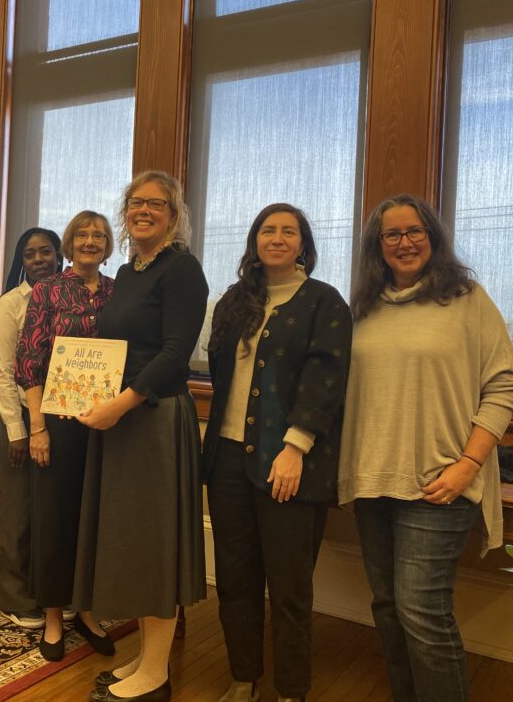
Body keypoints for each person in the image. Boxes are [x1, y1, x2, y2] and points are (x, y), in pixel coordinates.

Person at [339, 194, 513, 702]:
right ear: (378, 246)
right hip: (374, 478)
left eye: (415, 231)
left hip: (440, 480)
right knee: (388, 607)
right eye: (392, 234)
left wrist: (469, 465)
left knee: (422, 611)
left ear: (433, 237)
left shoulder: (467, 299)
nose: (405, 242)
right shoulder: (364, 308)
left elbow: (504, 384)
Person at [204, 204, 352, 702]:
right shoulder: (234, 300)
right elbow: (217, 372)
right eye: (269, 230)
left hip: (290, 462)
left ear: (303, 244)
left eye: (289, 231)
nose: (278, 238)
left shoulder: (324, 303)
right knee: (234, 578)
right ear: (255, 242)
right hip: (226, 460)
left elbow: (325, 381)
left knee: (289, 589)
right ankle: (243, 677)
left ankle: (291, 690)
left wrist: (296, 447)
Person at [75, 170, 208, 702]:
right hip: (120, 417)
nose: (143, 210)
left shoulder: (183, 271)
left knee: (153, 548)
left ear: (174, 216)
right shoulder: (129, 273)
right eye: (135, 202)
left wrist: (123, 403)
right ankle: (146, 659)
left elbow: (177, 353)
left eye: (156, 203)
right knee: (130, 543)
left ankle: (156, 674)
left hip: (152, 418)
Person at [16, 212, 116, 661]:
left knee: (95, 517)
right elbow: (29, 359)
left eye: (99, 235)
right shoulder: (48, 290)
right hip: (57, 421)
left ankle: (87, 610)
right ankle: (54, 615)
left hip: (108, 422)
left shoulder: (119, 292)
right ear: (69, 244)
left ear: (108, 244)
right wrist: (37, 427)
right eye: (82, 235)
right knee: (56, 518)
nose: (90, 241)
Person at [0, 227, 63, 629]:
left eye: (46, 251)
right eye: (30, 253)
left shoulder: (70, 298)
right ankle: (15, 596)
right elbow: (2, 373)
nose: (38, 259)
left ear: (58, 255)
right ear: (21, 259)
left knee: (50, 511)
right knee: (19, 510)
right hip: (15, 419)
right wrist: (17, 429)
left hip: (61, 419)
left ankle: (48, 590)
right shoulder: (9, 305)